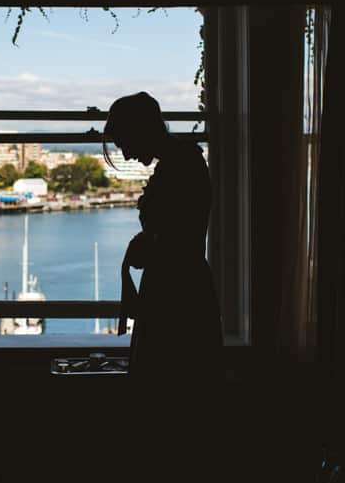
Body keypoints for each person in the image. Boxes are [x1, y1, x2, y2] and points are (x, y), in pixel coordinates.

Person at [103, 93, 223, 471]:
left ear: (140, 131)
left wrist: (145, 247)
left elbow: (175, 239)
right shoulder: (183, 162)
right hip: (182, 290)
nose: (122, 151)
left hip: (175, 298)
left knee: (167, 402)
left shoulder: (179, 166)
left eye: (123, 141)